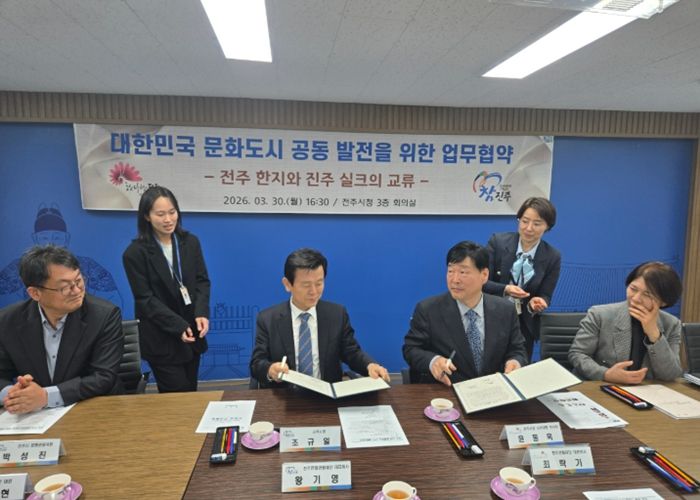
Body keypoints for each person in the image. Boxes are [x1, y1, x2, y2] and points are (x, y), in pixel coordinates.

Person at [0, 245, 123, 414]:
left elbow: (103, 377)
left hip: (93, 409)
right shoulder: (8, 321)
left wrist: (46, 396)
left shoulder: (104, 315)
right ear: (35, 293)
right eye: (65, 287)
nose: (77, 291)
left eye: (78, 281)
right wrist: (15, 394)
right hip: (35, 415)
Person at [249, 248, 390, 388]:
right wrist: (270, 369)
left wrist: (369, 365)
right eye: (306, 285)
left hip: (327, 395)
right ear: (287, 284)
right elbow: (256, 363)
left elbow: (351, 352)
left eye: (319, 283)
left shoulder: (337, 314)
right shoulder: (268, 319)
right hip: (285, 396)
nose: (314, 291)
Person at [123, 186, 210, 392]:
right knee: (176, 395)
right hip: (161, 337)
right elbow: (145, 299)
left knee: (191, 392)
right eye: (160, 214)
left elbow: (202, 281)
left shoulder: (190, 242)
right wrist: (178, 326)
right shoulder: (135, 253)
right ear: (147, 216)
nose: (168, 219)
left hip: (192, 333)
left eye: (172, 212)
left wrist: (201, 313)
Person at [403, 241, 527, 385]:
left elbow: (517, 350)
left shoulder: (505, 310)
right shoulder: (428, 310)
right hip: (448, 390)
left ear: (484, 275)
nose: (455, 280)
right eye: (450, 271)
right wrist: (433, 361)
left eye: (463, 272)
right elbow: (411, 349)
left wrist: (515, 362)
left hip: (493, 389)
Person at [568, 261, 683, 384]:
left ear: (664, 301)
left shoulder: (672, 324)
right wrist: (606, 374)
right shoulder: (600, 315)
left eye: (647, 294)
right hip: (601, 386)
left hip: (647, 390)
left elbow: (671, 374)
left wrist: (654, 333)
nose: (636, 298)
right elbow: (577, 354)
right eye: (633, 289)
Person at [483, 197, 561, 360]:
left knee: (518, 367)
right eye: (524, 221)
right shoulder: (498, 243)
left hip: (523, 326)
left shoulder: (552, 256)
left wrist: (537, 303)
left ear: (548, 226)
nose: (529, 228)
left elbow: (545, 295)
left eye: (537, 224)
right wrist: (506, 289)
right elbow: (481, 282)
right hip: (491, 318)